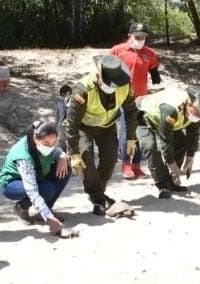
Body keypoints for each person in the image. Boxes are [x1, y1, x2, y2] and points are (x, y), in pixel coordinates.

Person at [63, 55, 138, 216]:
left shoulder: (124, 85)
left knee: (111, 158)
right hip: (84, 126)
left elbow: (131, 112)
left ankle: (98, 191)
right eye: (108, 84)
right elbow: (72, 124)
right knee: (86, 157)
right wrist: (74, 152)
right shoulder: (82, 90)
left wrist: (131, 138)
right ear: (98, 76)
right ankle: (97, 198)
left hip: (107, 125)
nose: (112, 87)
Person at [137, 87, 200, 198]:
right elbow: (166, 140)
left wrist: (190, 158)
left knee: (181, 142)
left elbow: (193, 135)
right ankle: (163, 183)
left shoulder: (196, 112)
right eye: (197, 114)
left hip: (166, 123)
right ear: (191, 104)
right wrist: (172, 165)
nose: (197, 118)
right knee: (149, 147)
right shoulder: (171, 109)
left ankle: (172, 180)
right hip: (143, 116)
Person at [0, 121, 71, 235]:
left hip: (36, 175)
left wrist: (62, 157)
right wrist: (48, 218)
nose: (50, 147)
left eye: (53, 143)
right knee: (46, 189)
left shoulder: (48, 144)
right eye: (46, 143)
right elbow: (32, 191)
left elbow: (58, 152)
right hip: (12, 183)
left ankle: (47, 208)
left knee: (65, 169)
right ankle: (21, 208)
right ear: (36, 138)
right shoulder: (24, 157)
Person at [111, 22, 162, 180]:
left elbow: (154, 71)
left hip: (142, 100)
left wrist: (157, 84)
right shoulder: (117, 51)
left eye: (143, 37)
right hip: (123, 98)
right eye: (138, 37)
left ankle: (136, 166)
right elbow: (105, 71)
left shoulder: (149, 53)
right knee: (128, 131)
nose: (141, 39)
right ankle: (126, 164)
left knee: (141, 132)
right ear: (130, 36)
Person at [56, 84, 72, 152]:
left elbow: (70, 114)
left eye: (63, 95)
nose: (62, 97)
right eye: (61, 96)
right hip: (62, 125)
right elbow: (57, 113)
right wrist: (56, 125)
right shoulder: (60, 102)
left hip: (71, 127)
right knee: (61, 141)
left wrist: (66, 104)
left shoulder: (74, 102)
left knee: (71, 144)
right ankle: (64, 155)